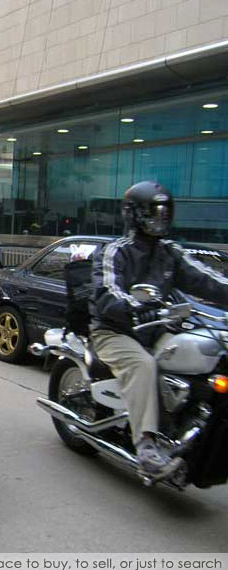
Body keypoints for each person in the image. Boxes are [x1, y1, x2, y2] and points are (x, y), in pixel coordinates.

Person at [90, 181, 228, 479]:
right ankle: (147, 446)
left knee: (204, 348)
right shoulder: (115, 251)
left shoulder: (170, 252)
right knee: (143, 365)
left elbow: (207, 280)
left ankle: (187, 423)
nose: (160, 218)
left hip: (155, 330)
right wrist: (134, 305)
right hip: (115, 332)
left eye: (165, 212)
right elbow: (107, 291)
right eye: (154, 212)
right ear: (133, 214)